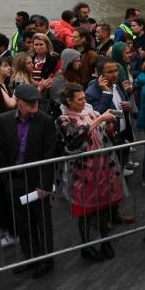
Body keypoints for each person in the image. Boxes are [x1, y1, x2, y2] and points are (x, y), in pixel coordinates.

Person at [0, 83, 57, 278]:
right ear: (18, 102)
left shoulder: (45, 121)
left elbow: (49, 155)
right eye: (29, 102)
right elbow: (1, 150)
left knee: (41, 221)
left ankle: (46, 258)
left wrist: (44, 185)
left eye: (36, 101)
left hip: (37, 180)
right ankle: (30, 257)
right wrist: (6, 177)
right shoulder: (3, 121)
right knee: (22, 222)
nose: (34, 105)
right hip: (15, 179)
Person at [55, 83, 121, 263]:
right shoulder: (63, 120)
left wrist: (108, 124)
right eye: (80, 99)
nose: (84, 102)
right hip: (80, 170)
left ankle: (105, 241)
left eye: (84, 98)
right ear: (69, 101)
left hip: (101, 166)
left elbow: (106, 136)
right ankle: (86, 246)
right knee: (85, 210)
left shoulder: (90, 113)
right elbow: (74, 139)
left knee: (102, 204)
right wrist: (99, 120)